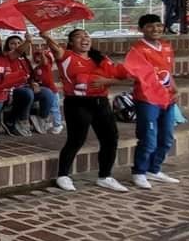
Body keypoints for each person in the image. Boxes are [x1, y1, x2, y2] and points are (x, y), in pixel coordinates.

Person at [40, 28, 132, 193]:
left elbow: (120, 76)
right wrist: (47, 36)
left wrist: (106, 81)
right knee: (76, 140)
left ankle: (105, 177)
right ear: (71, 43)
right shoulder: (66, 56)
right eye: (78, 37)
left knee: (110, 138)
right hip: (77, 103)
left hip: (101, 102)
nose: (84, 39)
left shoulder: (100, 58)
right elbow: (54, 47)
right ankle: (63, 175)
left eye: (86, 36)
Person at [130, 14, 181, 189]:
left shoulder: (166, 47)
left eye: (159, 26)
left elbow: (167, 72)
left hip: (167, 99)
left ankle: (154, 169)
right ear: (141, 29)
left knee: (166, 137)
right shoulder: (137, 50)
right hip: (147, 99)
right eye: (151, 26)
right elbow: (138, 75)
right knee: (148, 138)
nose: (156, 29)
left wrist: (173, 89)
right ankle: (139, 172)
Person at [1, 35, 36, 138]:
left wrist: (33, 83)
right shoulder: (7, 56)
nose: (16, 45)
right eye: (12, 43)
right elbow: (16, 52)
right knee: (27, 94)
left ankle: (40, 119)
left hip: (26, 86)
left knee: (47, 93)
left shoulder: (24, 59)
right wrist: (28, 41)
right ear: (7, 46)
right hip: (12, 89)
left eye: (18, 43)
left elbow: (31, 75)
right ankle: (18, 120)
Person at [30, 45, 64, 135]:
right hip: (44, 92)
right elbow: (34, 79)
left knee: (54, 109)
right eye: (36, 56)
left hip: (52, 91)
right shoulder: (36, 69)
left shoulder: (46, 66)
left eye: (40, 56)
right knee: (47, 108)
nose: (38, 58)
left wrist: (42, 53)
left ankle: (58, 124)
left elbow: (45, 61)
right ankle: (48, 123)